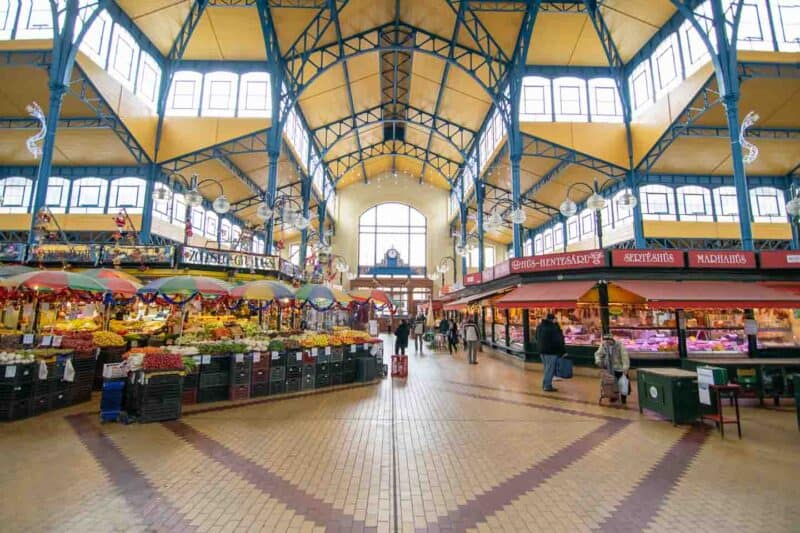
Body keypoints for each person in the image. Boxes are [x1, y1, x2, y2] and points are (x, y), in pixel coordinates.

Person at [595, 333, 631, 404]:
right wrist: (598, 361)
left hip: (619, 368)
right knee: (612, 383)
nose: (607, 342)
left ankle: (623, 398)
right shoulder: (604, 345)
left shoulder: (619, 345)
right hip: (609, 368)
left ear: (612, 339)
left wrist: (625, 368)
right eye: (606, 340)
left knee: (623, 384)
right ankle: (613, 396)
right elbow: (598, 354)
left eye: (608, 340)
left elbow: (625, 356)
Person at [535, 313, 566, 392]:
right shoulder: (553, 328)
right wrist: (562, 351)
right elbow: (558, 340)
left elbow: (536, 337)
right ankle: (547, 386)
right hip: (551, 352)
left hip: (542, 351)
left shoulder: (539, 326)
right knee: (550, 369)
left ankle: (545, 384)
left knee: (547, 369)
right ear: (553, 319)